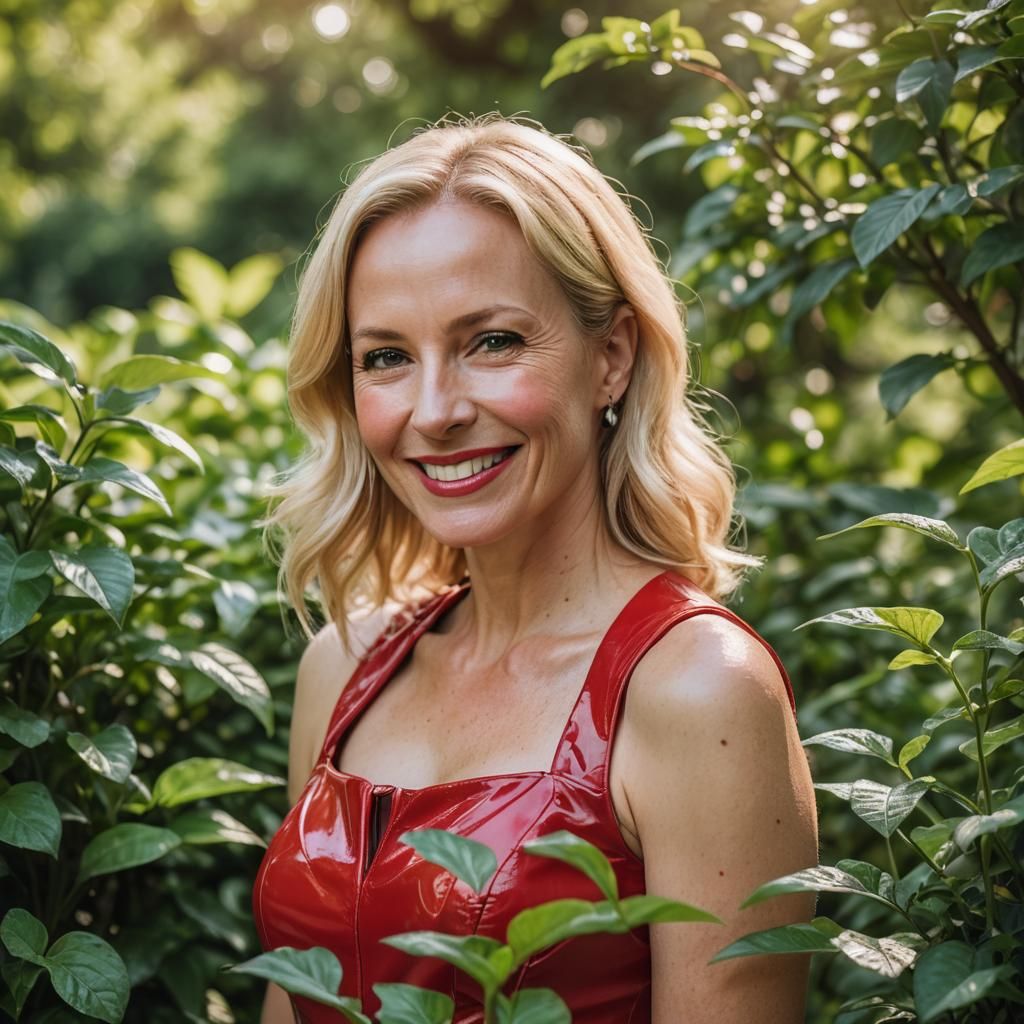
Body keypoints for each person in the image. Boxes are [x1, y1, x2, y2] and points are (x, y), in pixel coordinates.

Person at [252, 112, 818, 1024]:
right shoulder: (344, 667)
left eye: (493, 342)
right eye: (386, 357)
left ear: (612, 358)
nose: (434, 411)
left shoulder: (700, 693)